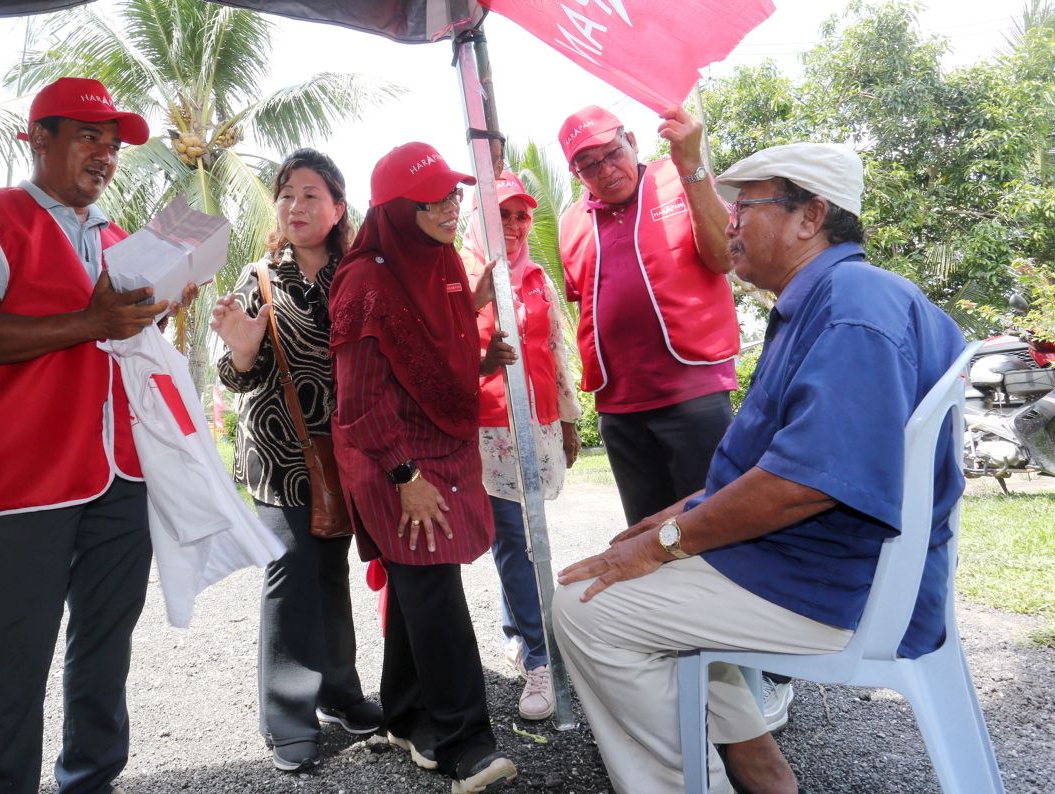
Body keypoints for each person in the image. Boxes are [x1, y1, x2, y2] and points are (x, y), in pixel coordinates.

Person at [551, 143, 966, 794]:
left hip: (843, 588)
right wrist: (679, 515)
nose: (730, 221)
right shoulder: (835, 299)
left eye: (746, 204)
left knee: (585, 609)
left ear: (811, 217)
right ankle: (760, 769)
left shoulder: (853, 305)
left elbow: (808, 483)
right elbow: (783, 467)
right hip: (831, 565)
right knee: (636, 572)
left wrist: (667, 544)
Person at [0, 77, 167, 794]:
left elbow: (120, 344)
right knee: (14, 653)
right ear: (39, 139)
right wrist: (92, 323)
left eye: (114, 145)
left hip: (120, 472)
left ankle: (91, 778)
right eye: (89, 137)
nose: (105, 155)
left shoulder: (120, 238)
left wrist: (155, 313)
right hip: (27, 475)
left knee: (105, 643)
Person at [554, 104, 798, 730]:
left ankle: (760, 677)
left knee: (719, 530)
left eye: (610, 153)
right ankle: (691, 671)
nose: (603, 169)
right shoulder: (570, 221)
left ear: (631, 142)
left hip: (691, 392)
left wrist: (692, 167)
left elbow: (723, 257)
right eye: (586, 163)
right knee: (647, 539)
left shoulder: (678, 177)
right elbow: (587, 299)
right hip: (619, 403)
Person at [329, 142, 518, 793]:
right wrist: (404, 477)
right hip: (392, 456)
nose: (450, 205)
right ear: (395, 208)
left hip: (445, 447)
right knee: (434, 587)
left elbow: (438, 350)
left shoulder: (444, 265)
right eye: (433, 197)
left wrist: (485, 355)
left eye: (454, 194)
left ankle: (408, 716)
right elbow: (359, 401)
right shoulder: (362, 284)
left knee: (420, 583)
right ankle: (467, 740)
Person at [210, 148, 380, 773]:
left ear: (338, 208)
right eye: (287, 193)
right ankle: (287, 714)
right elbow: (233, 375)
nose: (296, 205)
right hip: (279, 457)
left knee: (330, 570)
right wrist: (246, 353)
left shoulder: (361, 275)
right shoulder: (258, 278)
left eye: (312, 194)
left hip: (346, 453)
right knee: (289, 573)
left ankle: (338, 692)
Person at [460, 170, 581, 721]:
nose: (511, 223)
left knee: (527, 534)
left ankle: (516, 629)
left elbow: (556, 349)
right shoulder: (459, 272)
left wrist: (572, 420)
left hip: (537, 422)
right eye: (500, 213)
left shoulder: (537, 277)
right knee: (513, 536)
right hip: (486, 427)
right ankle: (539, 657)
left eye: (520, 214)